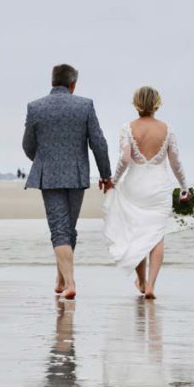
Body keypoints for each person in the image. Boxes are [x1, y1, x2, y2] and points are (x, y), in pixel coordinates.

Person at [22, 63, 113, 299]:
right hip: (76, 174)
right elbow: (98, 143)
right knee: (67, 229)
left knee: (61, 230)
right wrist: (106, 175)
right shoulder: (84, 106)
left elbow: (28, 146)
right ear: (73, 85)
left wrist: (44, 160)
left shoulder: (35, 107)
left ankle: (62, 280)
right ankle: (69, 282)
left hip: (49, 175)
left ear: (52, 81)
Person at [101, 86, 189, 300]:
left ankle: (140, 282)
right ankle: (150, 285)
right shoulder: (167, 129)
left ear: (136, 103)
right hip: (159, 188)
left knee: (138, 233)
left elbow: (124, 158)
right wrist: (184, 186)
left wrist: (114, 180)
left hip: (134, 186)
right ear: (157, 103)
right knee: (157, 236)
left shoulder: (127, 128)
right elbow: (175, 161)